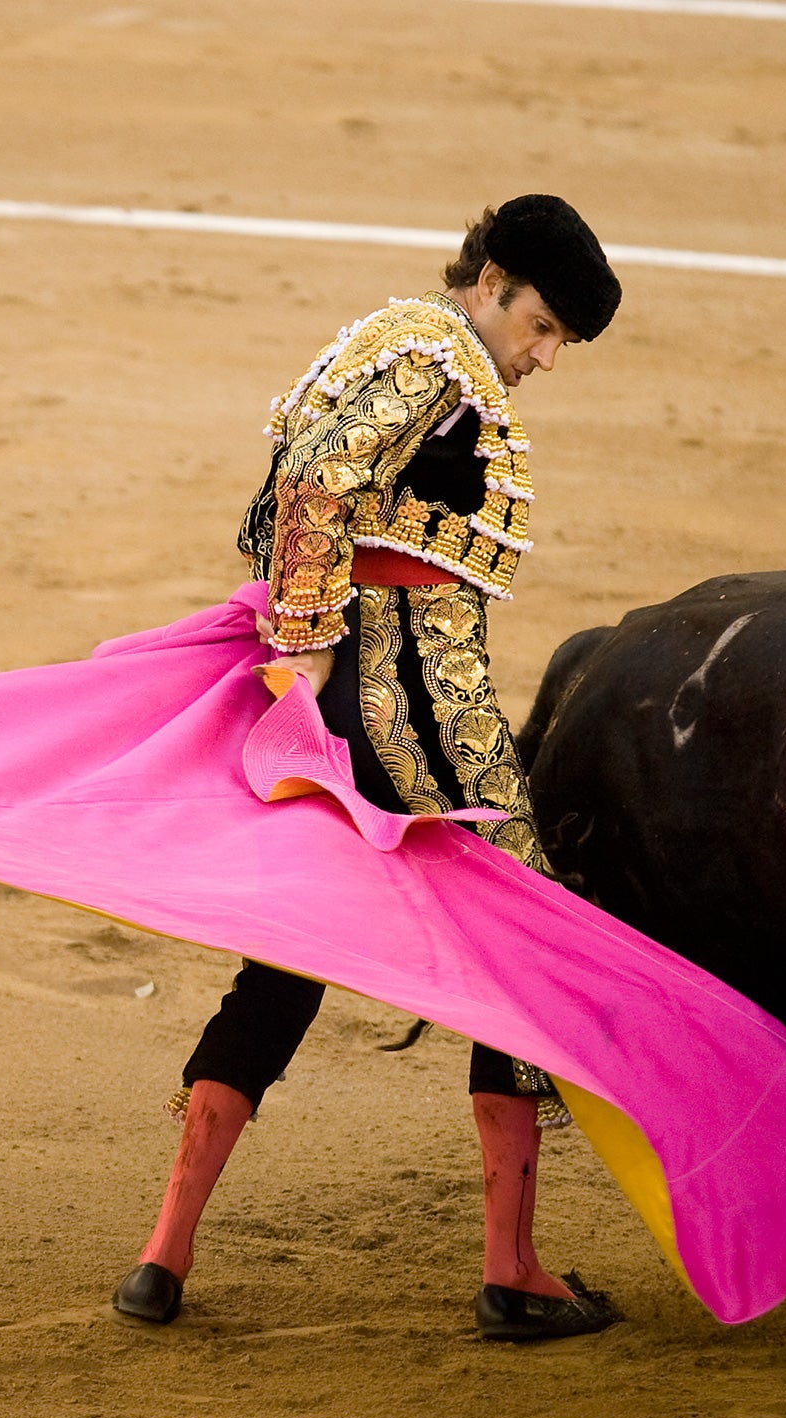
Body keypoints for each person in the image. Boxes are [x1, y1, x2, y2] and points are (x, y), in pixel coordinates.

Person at [110, 195, 625, 1343]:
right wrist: (309, 642)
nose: (541, 358)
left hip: (342, 709)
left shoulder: (388, 335)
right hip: (424, 720)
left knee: (289, 964)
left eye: (557, 344)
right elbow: (315, 488)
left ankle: (164, 1251)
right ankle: (512, 1268)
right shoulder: (441, 362)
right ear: (488, 279)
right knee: (524, 946)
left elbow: (287, 491)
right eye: (539, 326)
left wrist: (307, 661)